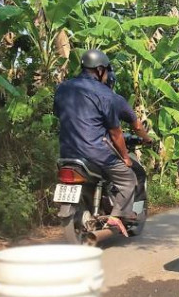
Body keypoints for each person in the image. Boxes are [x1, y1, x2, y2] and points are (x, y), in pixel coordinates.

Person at [53, 49, 135, 236]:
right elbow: (115, 133)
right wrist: (125, 157)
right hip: (96, 153)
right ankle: (116, 217)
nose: (106, 75)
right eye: (106, 70)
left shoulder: (63, 87)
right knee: (128, 178)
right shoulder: (105, 94)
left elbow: (60, 114)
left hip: (67, 152)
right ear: (99, 69)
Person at [105, 70, 152, 210]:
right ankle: (134, 212)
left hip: (74, 150)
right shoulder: (114, 99)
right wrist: (147, 139)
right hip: (103, 151)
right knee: (137, 174)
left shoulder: (82, 96)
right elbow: (134, 127)